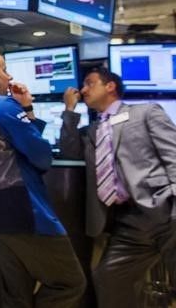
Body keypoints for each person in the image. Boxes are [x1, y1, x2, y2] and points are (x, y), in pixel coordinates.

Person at [0, 51, 85, 308]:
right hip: (24, 209)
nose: (10, 76)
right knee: (69, 283)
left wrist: (24, 108)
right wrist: (26, 108)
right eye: (4, 69)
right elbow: (42, 156)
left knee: (17, 296)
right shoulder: (4, 107)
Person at [60, 68, 176, 307]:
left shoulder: (144, 112)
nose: (83, 90)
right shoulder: (91, 132)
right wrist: (69, 111)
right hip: (128, 222)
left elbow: (173, 155)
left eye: (89, 84)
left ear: (110, 86)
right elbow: (68, 153)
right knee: (109, 278)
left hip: (165, 212)